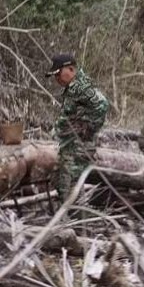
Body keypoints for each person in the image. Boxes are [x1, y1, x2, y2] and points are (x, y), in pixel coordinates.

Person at [47, 54, 109, 200]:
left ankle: (77, 213)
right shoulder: (73, 87)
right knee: (66, 185)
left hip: (79, 147)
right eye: (55, 75)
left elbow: (102, 104)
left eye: (58, 74)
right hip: (71, 146)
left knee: (70, 187)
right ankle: (73, 212)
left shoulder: (81, 86)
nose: (57, 78)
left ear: (70, 69)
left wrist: (85, 128)